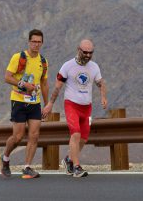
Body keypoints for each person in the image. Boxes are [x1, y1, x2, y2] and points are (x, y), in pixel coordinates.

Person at [42, 39, 107, 177]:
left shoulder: (94, 67)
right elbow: (57, 87)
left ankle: (68, 160)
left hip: (87, 107)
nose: (88, 55)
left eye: (91, 53)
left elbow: (101, 83)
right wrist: (50, 104)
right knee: (75, 134)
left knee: (83, 139)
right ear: (78, 49)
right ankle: (77, 167)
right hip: (71, 105)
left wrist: (103, 97)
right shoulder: (67, 66)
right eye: (85, 52)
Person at [0, 29, 49, 178]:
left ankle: (27, 167)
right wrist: (23, 84)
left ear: (42, 43)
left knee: (34, 135)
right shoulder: (19, 57)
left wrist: (47, 104)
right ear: (29, 42)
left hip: (35, 102)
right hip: (18, 100)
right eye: (34, 41)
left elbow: (44, 83)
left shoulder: (43, 61)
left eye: (39, 42)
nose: (36, 44)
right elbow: (7, 77)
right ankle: (5, 158)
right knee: (18, 136)